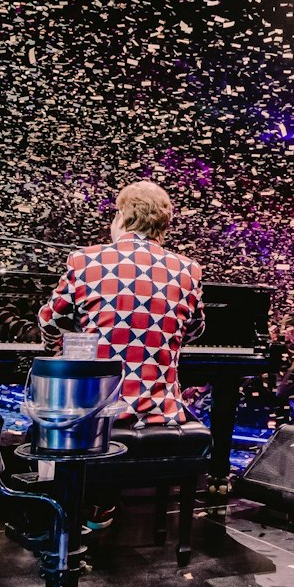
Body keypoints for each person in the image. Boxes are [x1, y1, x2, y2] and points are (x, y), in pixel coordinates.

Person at [37, 180, 204, 425]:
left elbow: (50, 324)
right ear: (164, 225)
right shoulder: (189, 269)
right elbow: (194, 331)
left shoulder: (86, 260)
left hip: (95, 411)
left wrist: (70, 344)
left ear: (121, 217)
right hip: (162, 414)